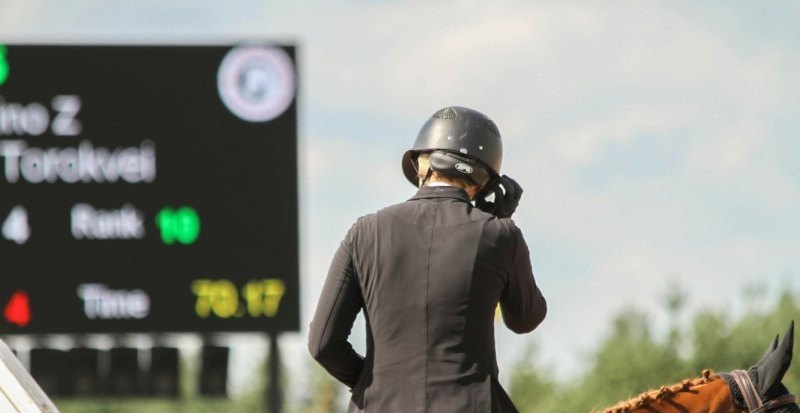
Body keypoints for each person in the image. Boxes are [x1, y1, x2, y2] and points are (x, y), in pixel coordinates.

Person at [308, 106, 547, 412]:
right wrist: (502, 230)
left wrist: (377, 384)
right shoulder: (500, 236)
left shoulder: (364, 232)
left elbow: (323, 344)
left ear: (422, 166)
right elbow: (525, 319)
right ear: (485, 183)